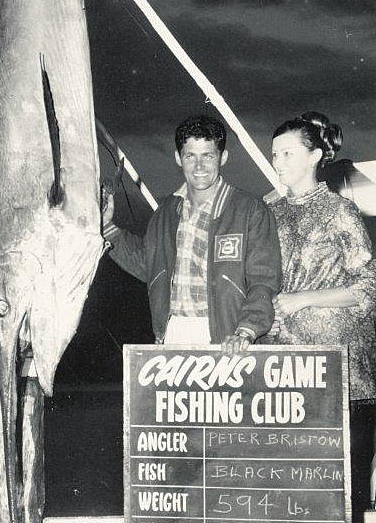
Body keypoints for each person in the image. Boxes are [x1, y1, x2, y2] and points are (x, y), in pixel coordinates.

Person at [265, 112, 376, 523]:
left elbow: (367, 288)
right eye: (274, 154)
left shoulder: (340, 212)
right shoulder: (266, 211)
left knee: (343, 494)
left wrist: (306, 299)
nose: (279, 162)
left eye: (288, 153)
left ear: (314, 156)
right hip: (286, 373)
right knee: (294, 489)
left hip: (345, 378)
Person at [102, 114, 280, 352]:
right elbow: (149, 265)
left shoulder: (250, 210)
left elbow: (264, 280)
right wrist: (107, 228)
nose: (199, 167)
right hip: (172, 333)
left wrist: (246, 330)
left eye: (208, 156)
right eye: (190, 157)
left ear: (223, 157)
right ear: (178, 158)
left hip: (230, 337)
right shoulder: (166, 211)